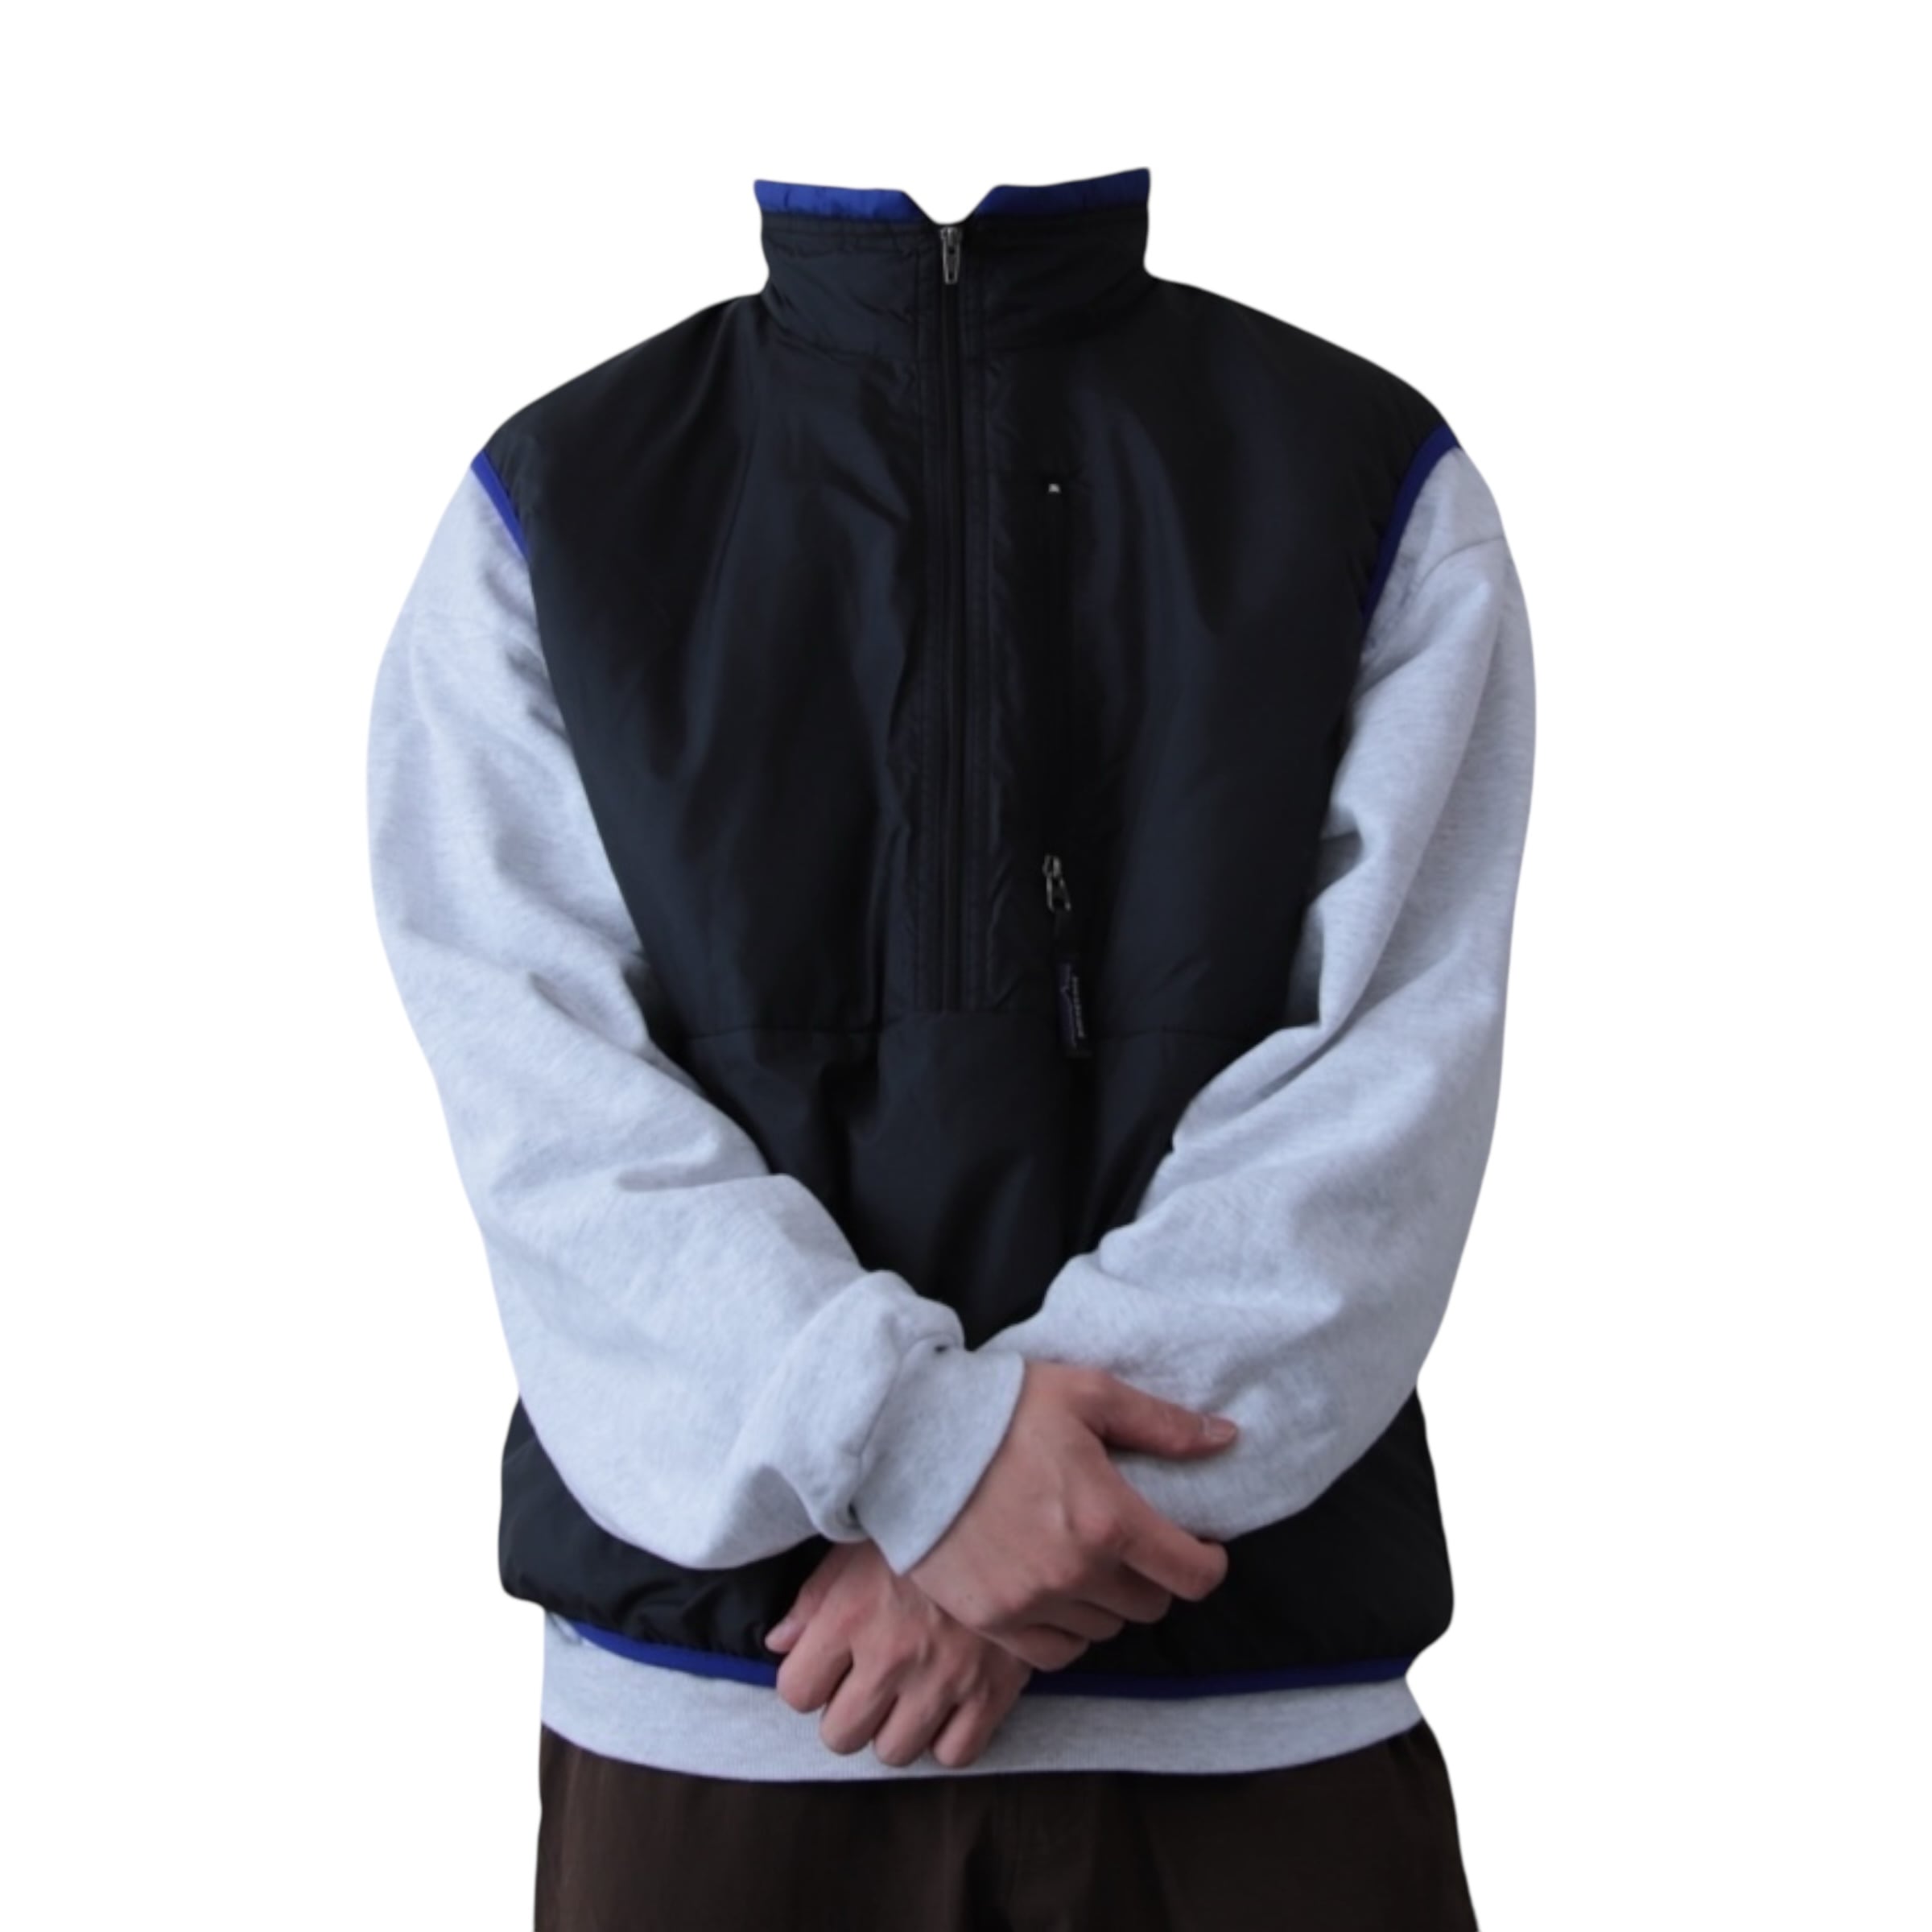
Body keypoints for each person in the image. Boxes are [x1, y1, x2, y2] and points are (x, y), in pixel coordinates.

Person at [366, 164, 1534, 1929]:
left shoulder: (1370, 477)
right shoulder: (556, 502)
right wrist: (916, 1445)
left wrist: (979, 1515)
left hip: (1244, 1748)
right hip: (728, 1740)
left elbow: (1389, 1091)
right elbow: (543, 1104)